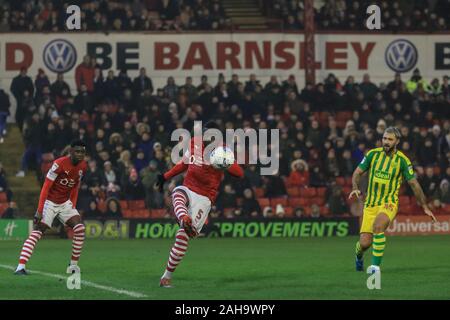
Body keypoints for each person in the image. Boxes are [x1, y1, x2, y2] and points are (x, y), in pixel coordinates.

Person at [155, 121, 244, 288]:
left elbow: (239, 172)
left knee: (183, 237)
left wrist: (225, 163)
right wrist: (165, 177)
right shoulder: (194, 142)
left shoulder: (222, 149)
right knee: (177, 192)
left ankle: (166, 277)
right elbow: (184, 163)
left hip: (204, 198)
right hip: (189, 187)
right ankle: (183, 218)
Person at [349, 127, 436, 274]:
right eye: (384, 138)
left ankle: (375, 268)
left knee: (378, 227)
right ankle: (359, 257)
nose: (386, 142)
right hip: (370, 205)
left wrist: (425, 206)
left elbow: (414, 184)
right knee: (364, 244)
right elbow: (357, 173)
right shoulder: (372, 154)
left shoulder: (403, 161)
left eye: (390, 139)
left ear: (397, 141)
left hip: (389, 203)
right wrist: (355, 186)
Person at [14, 140, 88, 275]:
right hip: (50, 202)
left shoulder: (83, 166)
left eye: (83, 152)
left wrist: (72, 207)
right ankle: (20, 266)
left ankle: (73, 266)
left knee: (80, 228)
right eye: (77, 151)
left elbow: (75, 187)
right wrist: (39, 210)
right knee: (38, 232)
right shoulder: (58, 164)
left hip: (65, 203)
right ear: (71, 151)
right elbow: (46, 187)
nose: (80, 154)